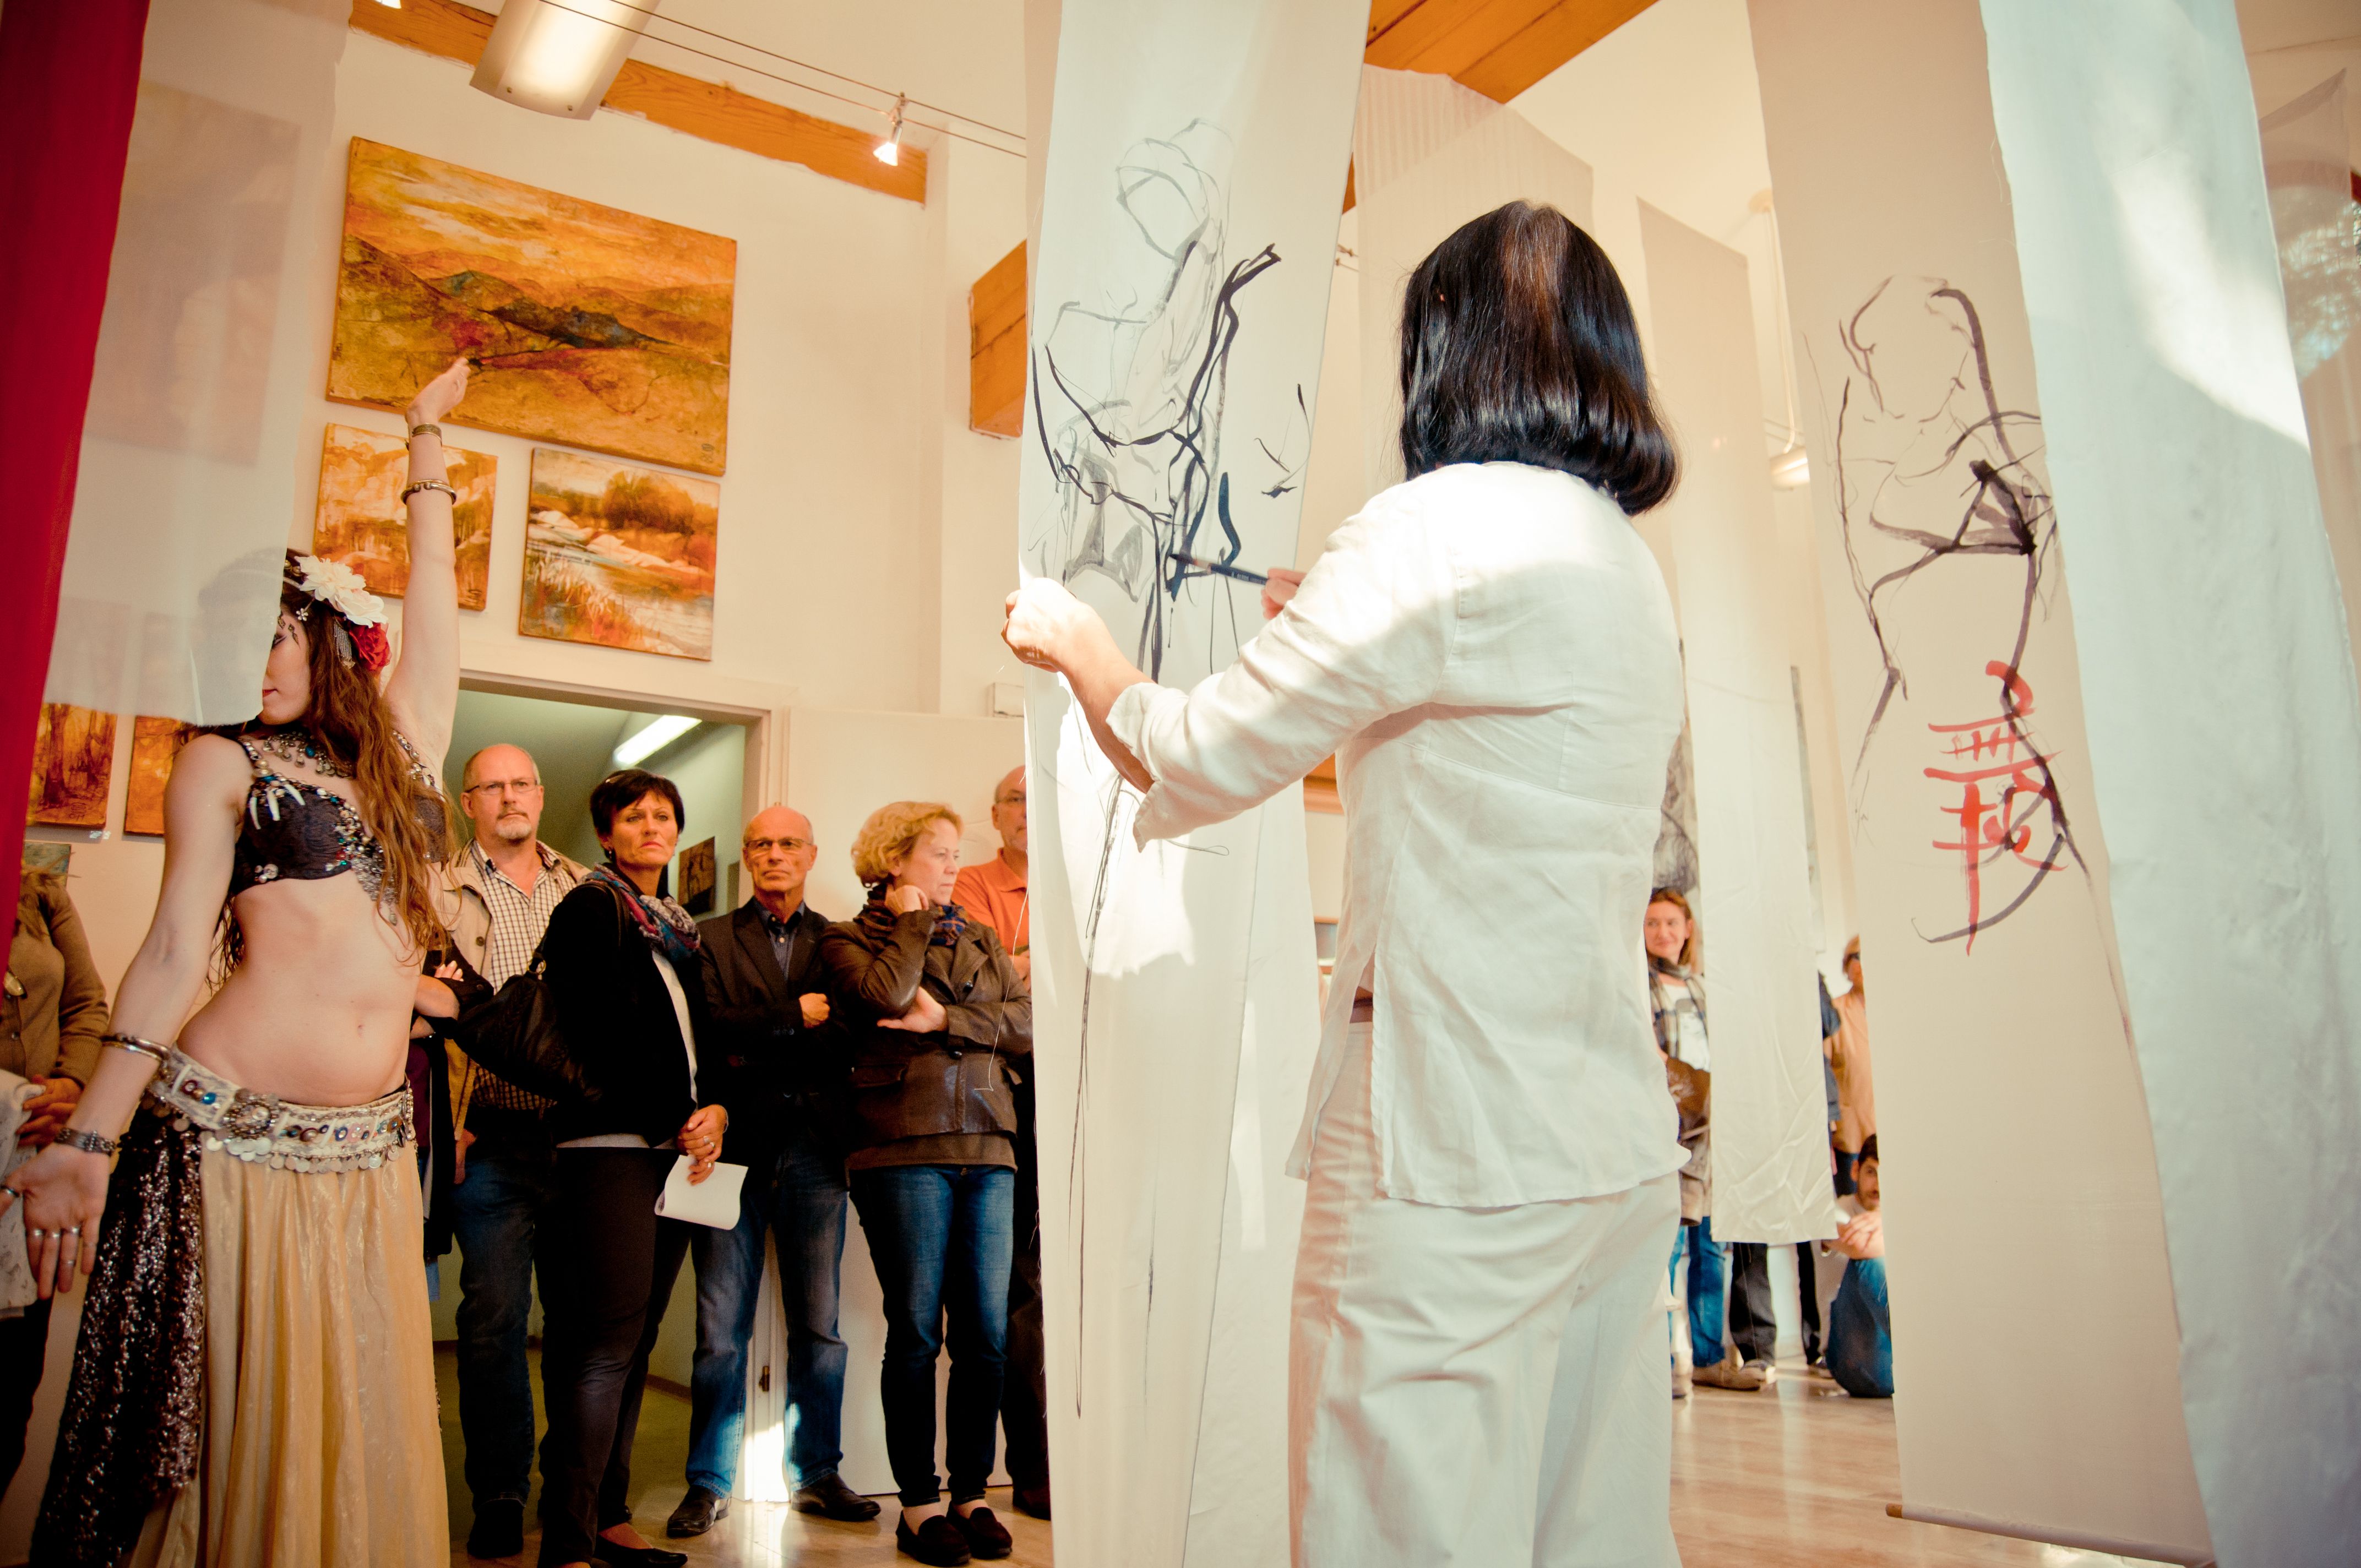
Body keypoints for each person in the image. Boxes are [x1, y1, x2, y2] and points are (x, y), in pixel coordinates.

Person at [1004, 200, 1689, 1567]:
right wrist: (1339, 617)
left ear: (1441, 351)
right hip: (1600, 1139)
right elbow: (1491, 727)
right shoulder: (1624, 559)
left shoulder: (1427, 529)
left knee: (1400, 1528)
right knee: (1592, 1528)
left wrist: (1085, 647)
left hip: (1449, 1134)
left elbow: (1196, 751)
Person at [10, 359, 473, 1566]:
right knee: (221, 1423)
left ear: (323, 631)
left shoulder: (409, 745)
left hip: (370, 1145)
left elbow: (436, 593)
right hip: (227, 1135)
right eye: (229, 643)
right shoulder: (217, 759)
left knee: (347, 1414)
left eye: (270, 634)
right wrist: (92, 1139)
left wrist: (422, 441)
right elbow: (170, 952)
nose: (252, 663)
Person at [822, 803, 1031, 1568]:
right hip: (900, 1146)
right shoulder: (847, 939)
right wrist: (909, 929)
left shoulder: (978, 936)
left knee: (986, 1333)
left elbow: (1028, 1024)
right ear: (894, 860)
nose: (953, 869)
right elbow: (882, 998)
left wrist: (946, 1019)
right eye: (938, 855)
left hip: (991, 1142)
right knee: (916, 1330)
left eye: (953, 855)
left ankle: (972, 1493)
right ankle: (917, 1503)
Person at [533, 768, 727, 1568]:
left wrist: (715, 1109)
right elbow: (599, 1033)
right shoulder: (591, 906)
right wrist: (675, 1118)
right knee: (602, 1347)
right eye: (635, 815)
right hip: (609, 1150)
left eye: (665, 815)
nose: (654, 826)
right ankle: (568, 1541)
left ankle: (609, 1521)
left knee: (638, 1341)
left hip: (677, 1152)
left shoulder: (676, 926)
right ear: (607, 831)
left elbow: (698, 1044)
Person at [667, 805, 876, 1537]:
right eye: (762, 844)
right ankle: (708, 1483)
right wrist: (792, 1016)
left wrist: (759, 1039)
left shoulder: (843, 941)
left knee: (819, 1327)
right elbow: (708, 1029)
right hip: (733, 1152)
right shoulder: (711, 938)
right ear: (748, 858)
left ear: (812, 855)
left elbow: (850, 1039)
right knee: (720, 1331)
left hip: (817, 1152)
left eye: (789, 844)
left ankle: (818, 1473)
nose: (775, 854)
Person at [439, 741, 590, 1560]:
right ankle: (499, 1493)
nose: (509, 797)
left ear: (540, 791)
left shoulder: (587, 888)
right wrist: (441, 1123)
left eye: (522, 782)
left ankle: (575, 1494)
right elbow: (420, 1019)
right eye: (491, 787)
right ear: (470, 804)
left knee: (578, 1325)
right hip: (485, 1137)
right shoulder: (432, 890)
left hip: (578, 1138)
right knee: (493, 1321)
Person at [951, 767, 1048, 1522]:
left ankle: (1058, 1462)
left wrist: (1023, 962)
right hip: (1001, 1100)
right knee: (1012, 1291)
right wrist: (1036, 965)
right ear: (995, 814)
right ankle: (1025, 1474)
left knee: (1059, 1288)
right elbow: (978, 990)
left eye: (1036, 797)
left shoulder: (1079, 878)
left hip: (1082, 1099)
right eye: (1014, 798)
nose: (1027, 811)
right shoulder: (972, 885)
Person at [0, 870, 108, 1490]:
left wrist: (72, 1081)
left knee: (10, 1390)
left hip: (34, 1164)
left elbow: (88, 1006)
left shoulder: (39, 890)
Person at [1822, 1136, 1892, 1398]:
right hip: (1851, 1360)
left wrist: (1885, 1219)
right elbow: (1861, 1246)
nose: (1879, 1185)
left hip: (1892, 1358)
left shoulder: (1895, 1216)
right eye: (1871, 1172)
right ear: (1855, 1171)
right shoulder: (1834, 1212)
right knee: (1872, 1263)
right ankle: (1925, 1359)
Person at [1831, 936, 1874, 1191]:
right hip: (1851, 1140)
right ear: (1847, 965)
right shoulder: (1834, 1012)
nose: (1863, 963)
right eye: (1857, 956)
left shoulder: (1898, 1009)